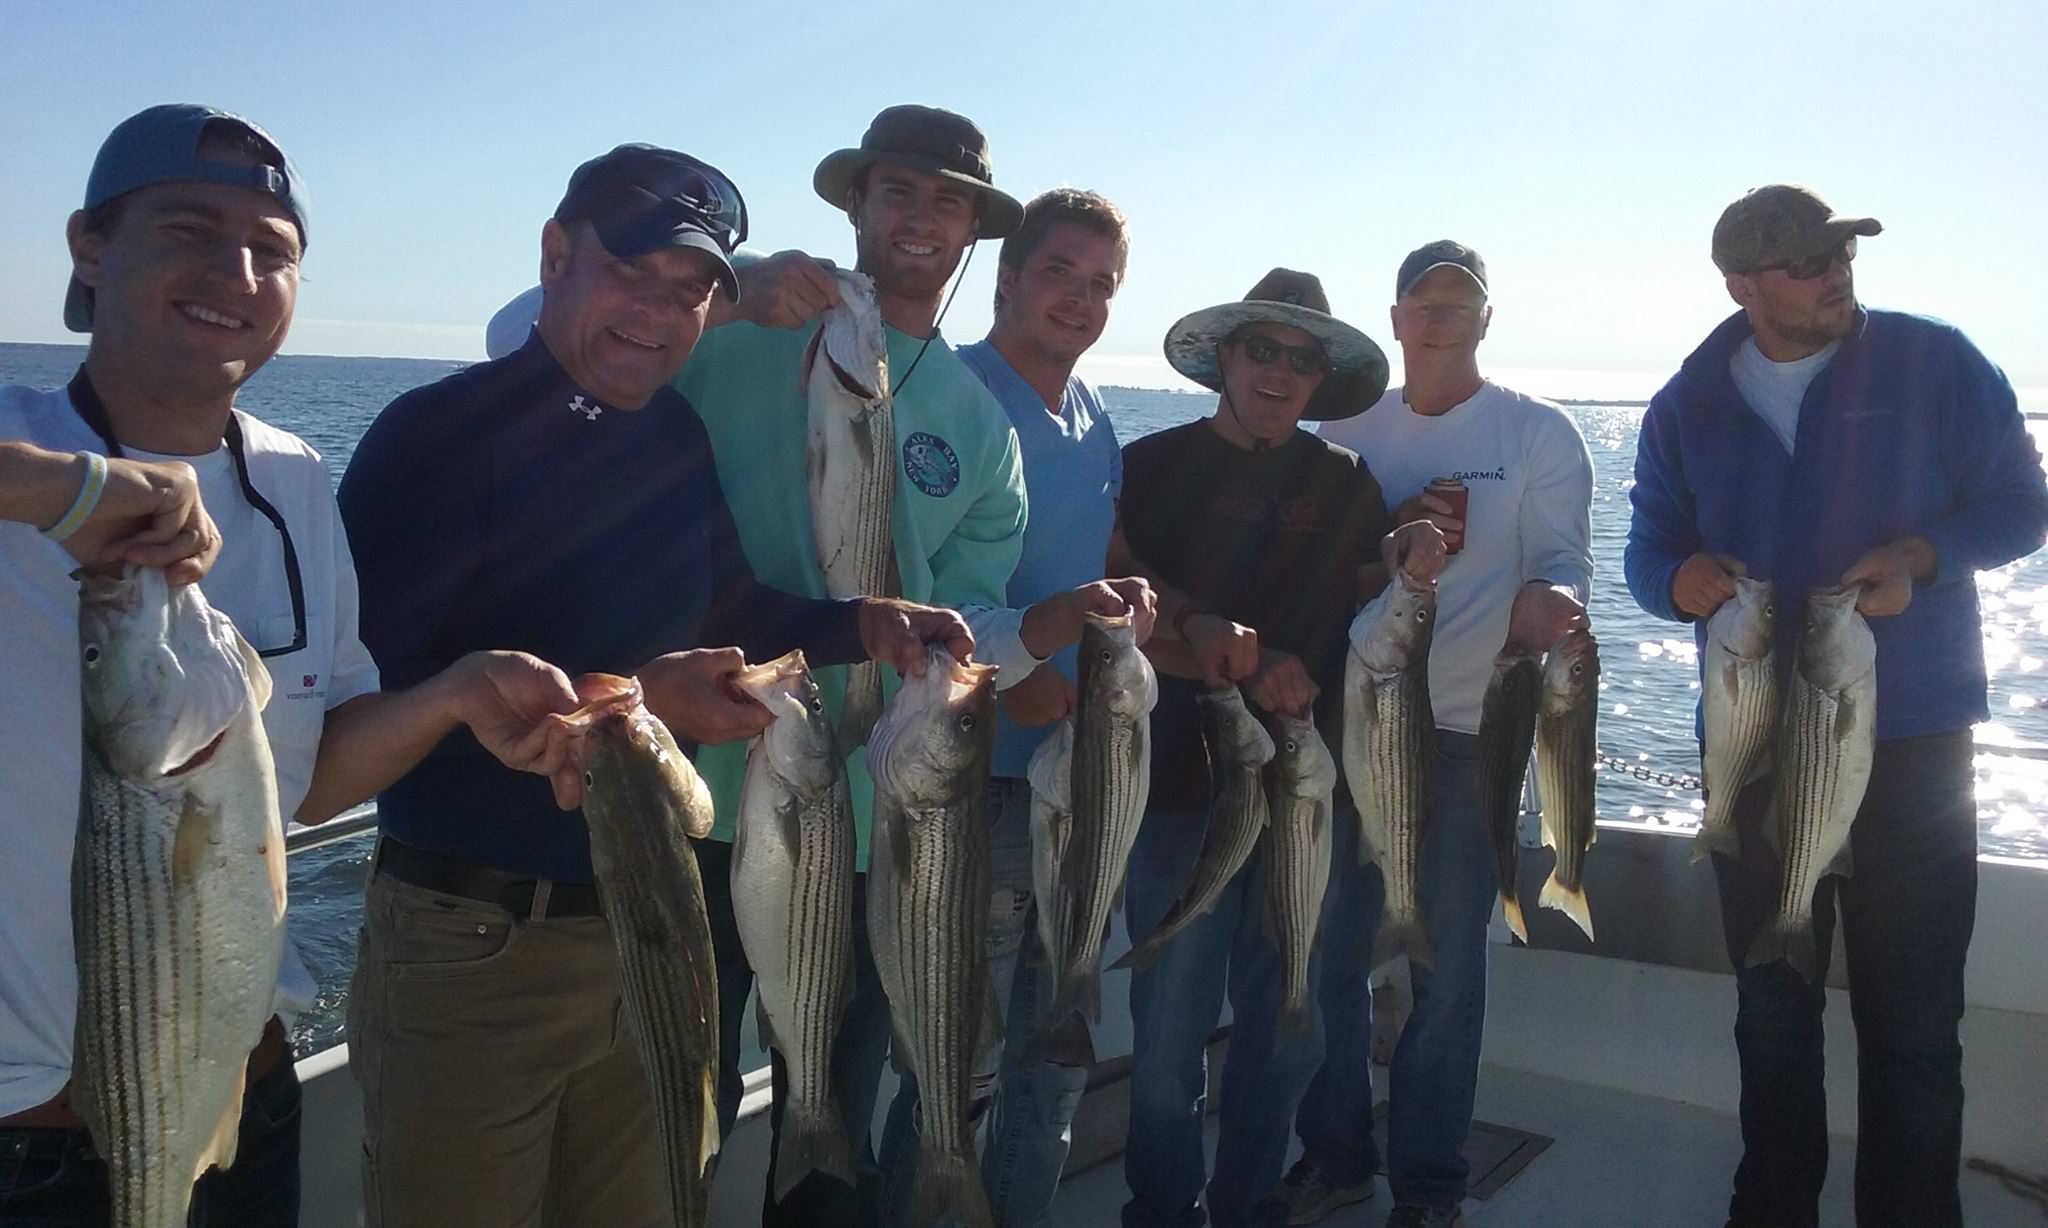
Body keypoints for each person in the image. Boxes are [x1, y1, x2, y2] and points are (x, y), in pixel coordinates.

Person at [336, 143, 970, 1228]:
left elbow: (728, 613)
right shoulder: (434, 440)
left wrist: (860, 623)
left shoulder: (670, 434)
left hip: (653, 932)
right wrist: (639, 695)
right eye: (631, 273)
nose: (658, 312)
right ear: (554, 256)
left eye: (690, 292)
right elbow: (347, 731)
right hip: (481, 944)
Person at [0, 104, 581, 1228]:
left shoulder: (296, 477)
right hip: (33, 1136)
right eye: (190, 228)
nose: (237, 269)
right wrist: (76, 493)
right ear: (88, 245)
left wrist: (454, 693)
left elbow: (302, 780)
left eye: (274, 249)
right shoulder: (23, 435)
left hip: (244, 1092)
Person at [1624, 185, 2048, 1228]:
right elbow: (1644, 547)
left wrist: (1922, 556)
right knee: (1770, 1016)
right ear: (1740, 285)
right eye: (1803, 261)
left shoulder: (1934, 362)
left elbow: (2021, 505)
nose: (1831, 271)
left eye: (1836, 252)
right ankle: (1770, 1209)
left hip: (1910, 751)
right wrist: (1673, 580)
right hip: (1753, 752)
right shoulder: (1686, 401)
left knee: (1912, 1026)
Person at [662, 104, 1052, 1228]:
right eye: (899, 191)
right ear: (855, 202)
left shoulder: (980, 427)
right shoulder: (727, 325)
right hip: (694, 787)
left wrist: (1038, 635)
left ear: (974, 227)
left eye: (948, 201)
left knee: (822, 1107)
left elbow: (978, 621)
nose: (921, 218)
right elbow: (528, 336)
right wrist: (728, 289)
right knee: (666, 1099)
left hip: (880, 816)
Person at [1111, 269, 1425, 1228]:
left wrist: (1413, 546)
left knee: (1288, 1028)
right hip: (1175, 791)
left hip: (1306, 793)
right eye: (1263, 351)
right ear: (1225, 359)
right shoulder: (1152, 464)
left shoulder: (1345, 481)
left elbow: (1377, 585)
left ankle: (1245, 1207)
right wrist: (1212, 637)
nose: (1281, 373)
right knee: (1165, 1050)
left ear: (1321, 380)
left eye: (1303, 359)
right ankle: (1165, 1213)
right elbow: (1117, 602)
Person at [1293, 241, 1594, 1228]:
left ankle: (1426, 1185)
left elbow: (1560, 558)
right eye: (1422, 302)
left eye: (1459, 304)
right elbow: (1311, 561)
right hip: (1350, 730)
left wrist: (1551, 600)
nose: (1439, 318)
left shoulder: (1536, 431)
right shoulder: (1343, 425)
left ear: (1485, 320)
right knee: (1325, 959)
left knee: (1447, 974)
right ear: (1392, 317)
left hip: (1470, 739)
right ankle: (1334, 1152)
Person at [872, 187, 1149, 1227]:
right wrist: (1015, 670)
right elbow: (908, 573)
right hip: (968, 793)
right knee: (954, 1063)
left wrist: (1130, 611)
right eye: (1059, 273)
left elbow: (1087, 562)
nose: (1079, 300)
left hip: (1078, 786)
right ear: (1005, 277)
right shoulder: (950, 395)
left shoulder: (1093, 417)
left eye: (1101, 285)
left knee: (1057, 1058)